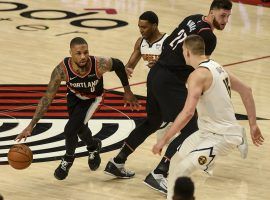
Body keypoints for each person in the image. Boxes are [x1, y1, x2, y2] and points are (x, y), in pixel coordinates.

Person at [104, 0, 234, 194]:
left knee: (153, 121)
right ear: (212, 13)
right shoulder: (208, 37)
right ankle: (160, 172)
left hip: (156, 73)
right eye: (222, 16)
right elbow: (198, 67)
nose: (225, 21)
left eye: (228, 17)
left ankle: (118, 161)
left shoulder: (193, 18)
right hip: (170, 80)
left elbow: (168, 43)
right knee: (192, 128)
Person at [152, 35, 264, 200]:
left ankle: (237, 135)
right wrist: (253, 125)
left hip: (222, 136)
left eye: (183, 51)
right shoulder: (218, 67)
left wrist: (163, 140)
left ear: (188, 52)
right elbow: (246, 90)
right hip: (206, 132)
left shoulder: (198, 75)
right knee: (176, 161)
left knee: (183, 169)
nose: (182, 54)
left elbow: (188, 112)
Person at [15, 37, 139, 180]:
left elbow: (117, 64)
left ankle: (68, 159)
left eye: (86, 52)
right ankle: (93, 146)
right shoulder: (61, 70)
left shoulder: (98, 64)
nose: (83, 57)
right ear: (71, 53)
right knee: (79, 128)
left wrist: (127, 91)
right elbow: (46, 99)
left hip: (93, 99)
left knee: (70, 129)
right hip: (74, 97)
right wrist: (31, 125)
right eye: (78, 53)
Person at [125, 11, 170, 143]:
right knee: (155, 125)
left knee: (166, 130)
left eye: (144, 27)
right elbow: (130, 65)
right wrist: (126, 70)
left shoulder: (167, 41)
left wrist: (162, 63)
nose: (141, 30)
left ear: (154, 26)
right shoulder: (141, 42)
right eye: (139, 26)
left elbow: (179, 64)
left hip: (169, 88)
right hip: (153, 88)